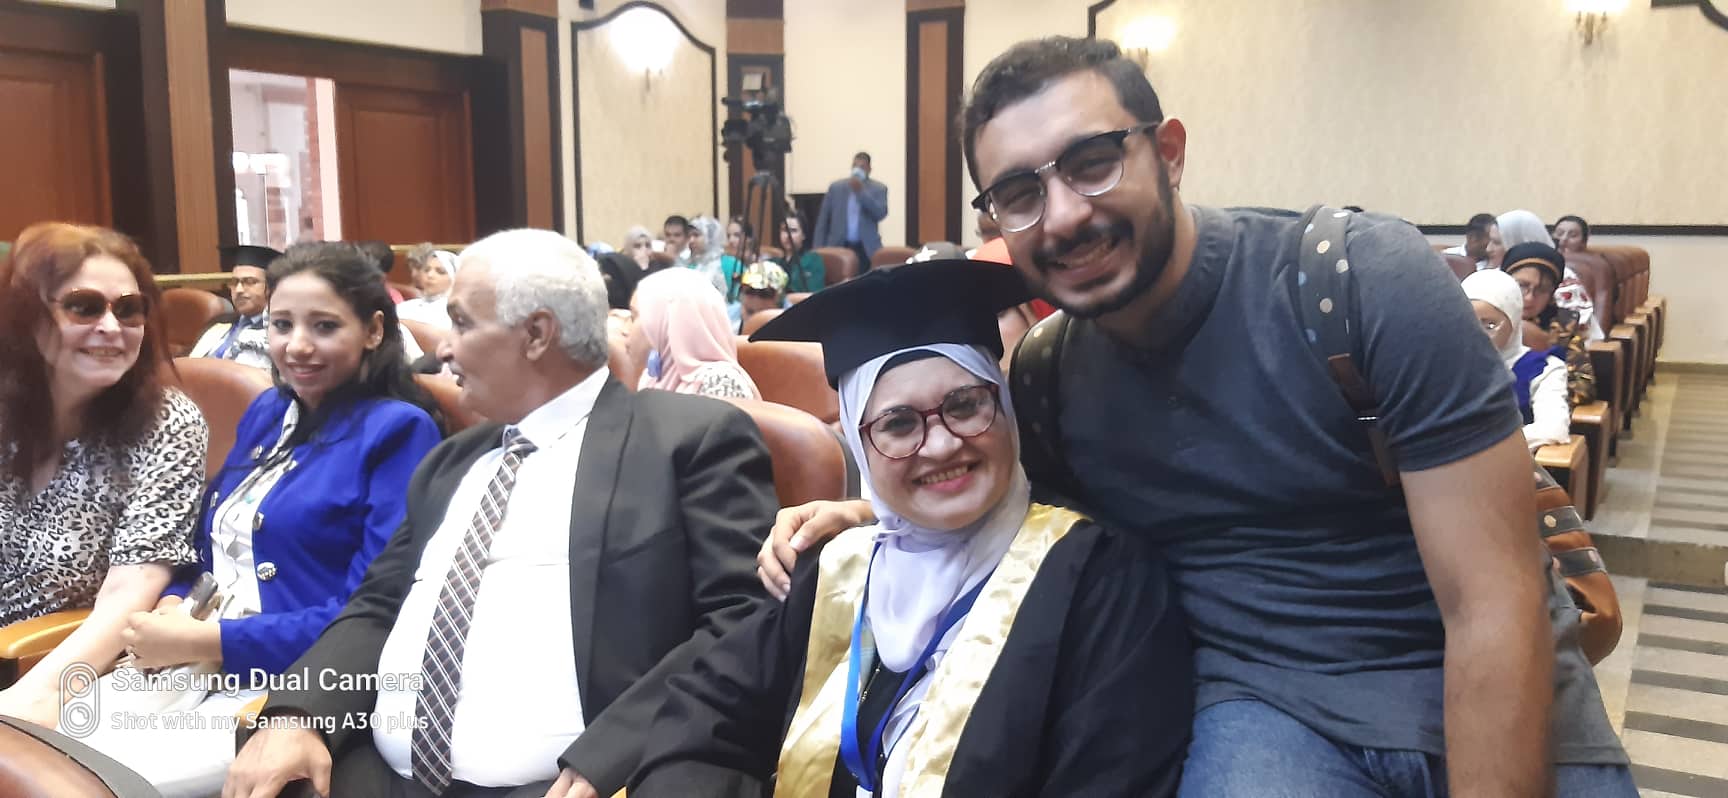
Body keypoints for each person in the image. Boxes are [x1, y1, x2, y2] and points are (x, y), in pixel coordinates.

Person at [759, 37, 1633, 797]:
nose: (1064, 215)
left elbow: (1492, 602)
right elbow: (1003, 516)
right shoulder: (1050, 377)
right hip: (1265, 713)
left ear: (1169, 153)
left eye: (1093, 162)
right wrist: (873, 513)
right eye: (1020, 193)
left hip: (1482, 669)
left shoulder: (1353, 284)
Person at [223, 228, 776, 798]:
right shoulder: (452, 461)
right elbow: (378, 605)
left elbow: (744, 619)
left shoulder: (684, 440)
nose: (443, 349)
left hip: (570, 782)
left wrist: (613, 755)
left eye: (461, 324)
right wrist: (300, 713)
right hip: (377, 775)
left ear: (536, 334)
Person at [631, 260, 1192, 797]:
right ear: (858, 444)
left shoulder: (1101, 583)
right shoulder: (838, 569)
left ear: (1006, 409)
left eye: (966, 405)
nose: (942, 444)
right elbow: (699, 721)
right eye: (898, 424)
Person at [78, 242, 444, 797]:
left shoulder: (398, 430)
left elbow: (368, 613)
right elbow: (209, 543)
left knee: (88, 783)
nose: (297, 345)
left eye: (324, 326)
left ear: (373, 330)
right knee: (37, 748)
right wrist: (174, 601)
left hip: (293, 678)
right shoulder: (271, 410)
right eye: (282, 324)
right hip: (189, 654)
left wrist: (209, 641)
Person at [0, 222, 206, 728]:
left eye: (129, 309)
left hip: (51, 671)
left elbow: (128, 596)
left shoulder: (167, 423)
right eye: (85, 306)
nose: (112, 327)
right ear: (28, 315)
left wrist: (31, 700)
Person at [1464, 270, 1571, 451]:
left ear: (1513, 323)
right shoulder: (1444, 366)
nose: (1477, 335)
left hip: (1512, 462)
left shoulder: (1545, 368)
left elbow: (1553, 429)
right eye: (1467, 323)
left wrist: (1476, 447)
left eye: (1489, 325)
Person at [631, 267, 760, 400]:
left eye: (634, 317)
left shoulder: (721, 383)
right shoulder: (652, 376)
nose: (625, 329)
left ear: (665, 323)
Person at [1505, 242, 1598, 407]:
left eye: (1542, 289)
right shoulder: (1483, 318)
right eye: (1522, 286)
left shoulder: (1564, 325)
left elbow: (1583, 387)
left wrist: (1545, 351)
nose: (1529, 298)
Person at [189, 244, 281, 370]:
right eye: (234, 282)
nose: (238, 290)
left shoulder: (277, 331)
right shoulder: (219, 323)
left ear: (271, 287)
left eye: (250, 282)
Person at [813, 151, 889, 267]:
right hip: (838, 245)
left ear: (869, 169)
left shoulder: (879, 188)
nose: (857, 170)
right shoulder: (836, 188)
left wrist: (861, 192)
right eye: (854, 166)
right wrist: (817, 249)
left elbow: (881, 213)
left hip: (866, 248)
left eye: (862, 167)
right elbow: (823, 220)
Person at [685, 215, 744, 309]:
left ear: (710, 236)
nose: (691, 240)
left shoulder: (731, 264)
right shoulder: (688, 266)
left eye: (696, 235)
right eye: (689, 236)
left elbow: (740, 300)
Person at [396, 248, 459, 328]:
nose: (430, 275)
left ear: (455, 278)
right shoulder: (405, 307)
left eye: (440, 272)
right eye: (426, 270)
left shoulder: (458, 312)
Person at [772, 211, 825, 293]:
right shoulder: (774, 263)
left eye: (793, 231)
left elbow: (814, 294)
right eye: (784, 230)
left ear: (803, 235)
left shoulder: (813, 260)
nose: (788, 236)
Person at [737, 259, 788, 326]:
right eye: (750, 291)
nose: (756, 298)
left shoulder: (793, 321)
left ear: (779, 296)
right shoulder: (729, 316)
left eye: (764, 293)